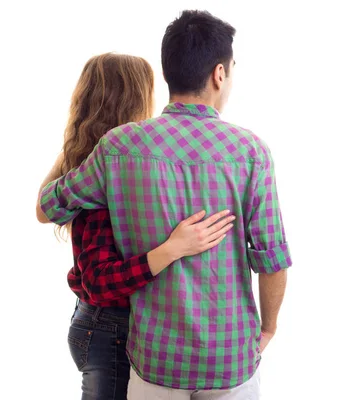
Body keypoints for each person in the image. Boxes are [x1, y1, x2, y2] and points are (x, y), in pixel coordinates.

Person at [37, 10, 292, 399]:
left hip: (155, 361)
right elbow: (271, 258)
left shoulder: (118, 147)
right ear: (219, 74)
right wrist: (269, 327)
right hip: (229, 360)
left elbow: (50, 206)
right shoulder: (251, 152)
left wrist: (74, 139)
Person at [37, 52, 234, 400]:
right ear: (137, 97)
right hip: (108, 327)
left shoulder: (107, 156)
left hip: (104, 323)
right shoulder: (103, 167)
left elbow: (43, 208)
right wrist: (172, 249)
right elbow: (100, 281)